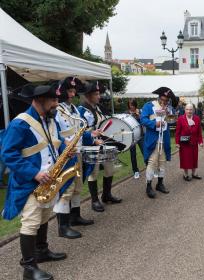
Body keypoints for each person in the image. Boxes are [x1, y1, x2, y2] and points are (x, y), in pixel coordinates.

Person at [1, 85, 72, 280]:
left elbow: (50, 147)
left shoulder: (49, 120)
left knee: (44, 216)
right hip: (29, 182)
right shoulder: (20, 124)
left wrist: (66, 153)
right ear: (39, 99)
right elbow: (7, 154)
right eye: (53, 100)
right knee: (31, 222)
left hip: (48, 180)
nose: (57, 104)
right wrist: (34, 173)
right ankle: (29, 268)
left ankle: (42, 251)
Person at [53, 77, 98, 239]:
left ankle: (75, 216)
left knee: (78, 186)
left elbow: (78, 129)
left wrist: (91, 135)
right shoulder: (57, 110)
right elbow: (53, 133)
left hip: (77, 151)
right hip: (65, 154)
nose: (72, 94)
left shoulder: (73, 109)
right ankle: (63, 226)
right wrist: (64, 144)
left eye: (73, 91)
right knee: (66, 189)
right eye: (70, 91)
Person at [79, 81, 122, 212]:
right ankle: (94, 200)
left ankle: (106, 195)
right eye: (96, 94)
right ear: (88, 95)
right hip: (92, 145)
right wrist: (93, 140)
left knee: (110, 169)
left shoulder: (98, 108)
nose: (99, 96)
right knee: (94, 172)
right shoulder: (81, 110)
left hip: (105, 143)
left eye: (99, 94)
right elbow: (80, 131)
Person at [141, 87, 178, 199]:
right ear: (159, 97)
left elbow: (172, 120)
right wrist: (154, 124)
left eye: (167, 100)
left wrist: (168, 114)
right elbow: (143, 119)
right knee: (152, 162)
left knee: (162, 162)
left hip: (164, 139)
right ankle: (148, 186)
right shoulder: (149, 106)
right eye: (163, 99)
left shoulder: (169, 108)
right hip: (153, 138)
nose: (164, 102)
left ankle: (160, 184)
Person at [176, 103, 203, 181]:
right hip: (184, 142)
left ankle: (194, 173)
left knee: (194, 158)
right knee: (185, 158)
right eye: (187, 109)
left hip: (194, 142)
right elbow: (177, 132)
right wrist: (177, 142)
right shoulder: (181, 118)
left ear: (193, 110)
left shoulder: (197, 118)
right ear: (185, 110)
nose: (189, 111)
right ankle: (185, 174)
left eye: (191, 109)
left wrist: (200, 141)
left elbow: (199, 132)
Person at [127, 99, 143, 179]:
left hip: (140, 135)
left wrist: (139, 115)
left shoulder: (139, 111)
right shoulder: (127, 113)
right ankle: (135, 171)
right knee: (133, 154)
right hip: (132, 137)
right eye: (130, 105)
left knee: (145, 151)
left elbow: (143, 121)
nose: (131, 107)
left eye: (132, 105)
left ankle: (149, 167)